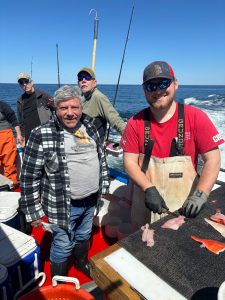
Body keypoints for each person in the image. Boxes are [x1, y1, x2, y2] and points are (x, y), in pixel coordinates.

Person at [120, 61, 224, 229]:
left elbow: (213, 160)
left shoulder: (196, 117)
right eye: (151, 86)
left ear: (175, 84)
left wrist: (200, 195)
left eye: (163, 83)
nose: (158, 90)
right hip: (145, 204)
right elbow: (129, 162)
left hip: (184, 207)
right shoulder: (135, 123)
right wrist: (148, 188)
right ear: (144, 90)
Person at [20, 85, 110, 278]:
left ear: (81, 107)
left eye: (74, 107)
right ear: (56, 109)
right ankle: (58, 280)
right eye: (64, 108)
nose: (70, 113)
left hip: (91, 199)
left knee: (84, 235)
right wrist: (33, 212)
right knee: (62, 243)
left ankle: (80, 262)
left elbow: (100, 157)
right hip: (63, 205)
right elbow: (28, 178)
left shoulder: (91, 126)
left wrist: (103, 188)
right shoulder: (41, 134)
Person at [77, 67, 126, 142]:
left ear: (95, 83)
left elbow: (116, 120)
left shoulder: (98, 97)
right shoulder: (79, 98)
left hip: (94, 147)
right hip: (82, 142)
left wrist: (132, 139)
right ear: (78, 83)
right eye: (80, 78)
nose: (83, 80)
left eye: (87, 77)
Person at [17, 73, 53, 145]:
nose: (24, 85)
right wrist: (22, 136)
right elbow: (21, 120)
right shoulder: (20, 101)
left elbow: (56, 109)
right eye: (21, 83)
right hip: (28, 135)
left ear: (32, 82)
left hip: (44, 133)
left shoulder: (43, 95)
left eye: (26, 81)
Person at [0, 100, 23, 187]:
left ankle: (12, 185)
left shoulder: (3, 105)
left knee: (10, 163)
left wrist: (19, 134)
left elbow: (14, 120)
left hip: (6, 136)